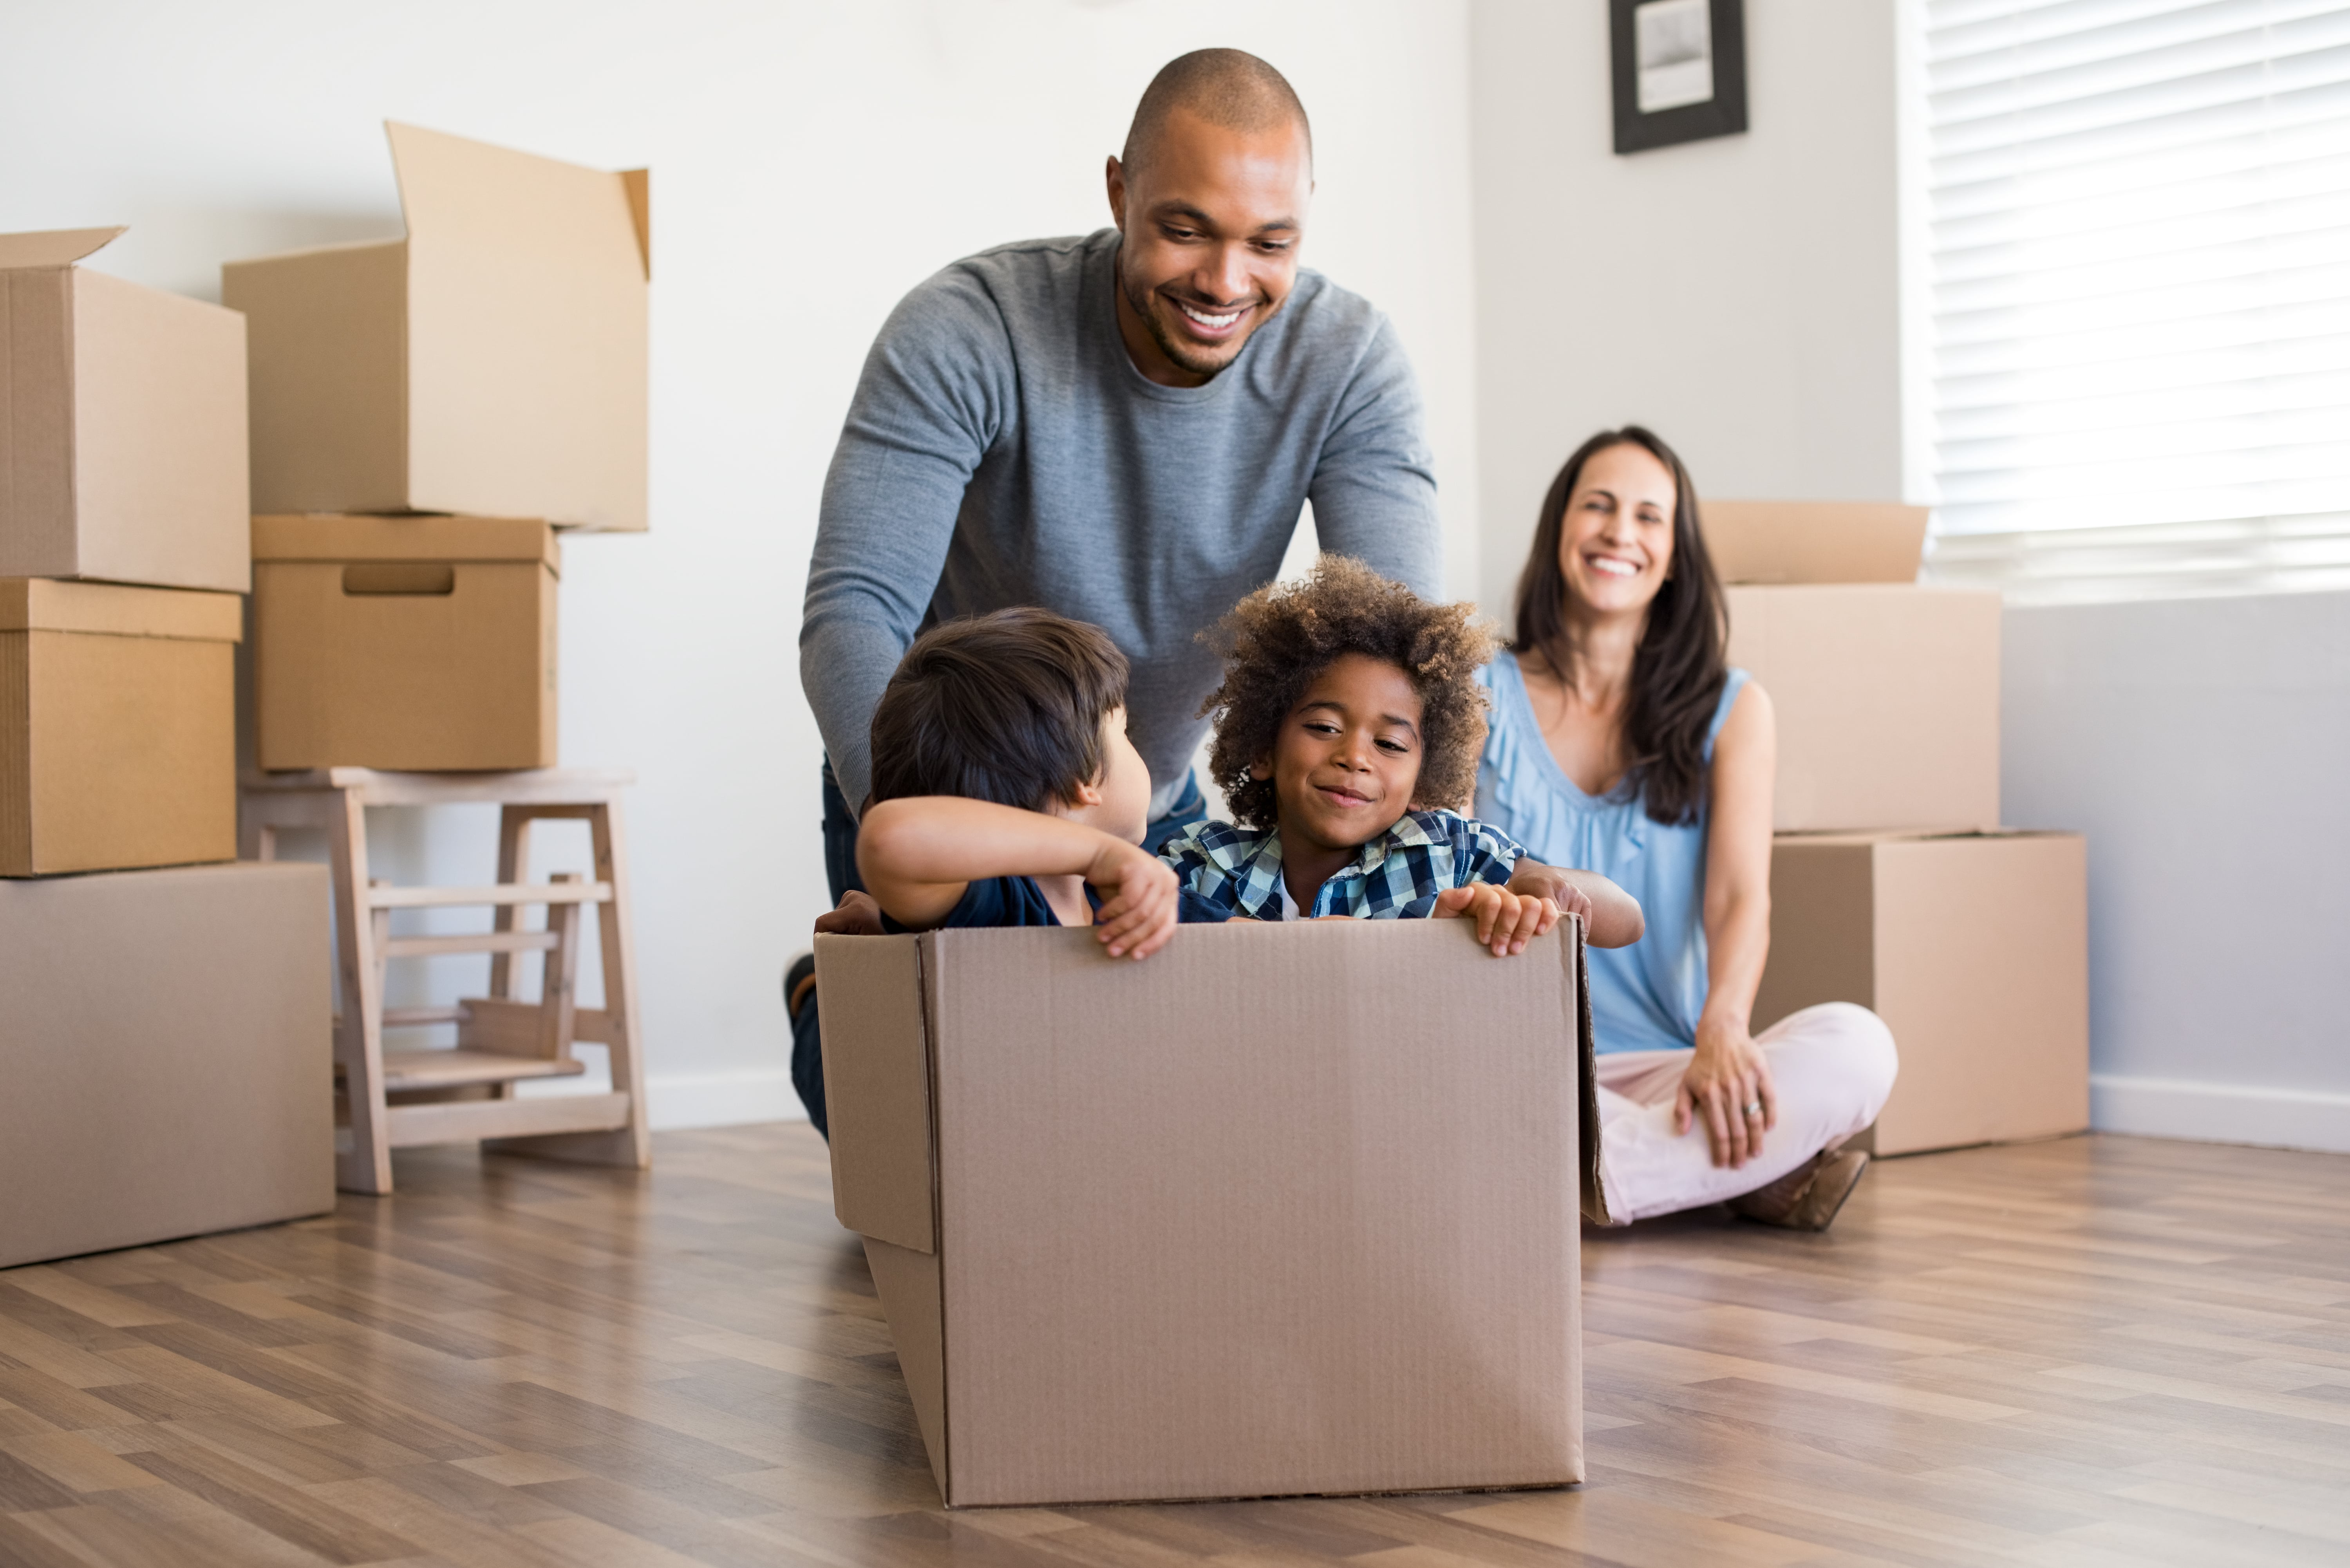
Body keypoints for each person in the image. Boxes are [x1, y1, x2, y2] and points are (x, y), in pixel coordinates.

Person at [800, 47, 1441, 909]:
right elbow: (855, 610)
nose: (1224, 281)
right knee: (888, 1042)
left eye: (1270, 243)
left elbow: (1406, 652)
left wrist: (1441, 870)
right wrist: (919, 839)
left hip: (1143, 799)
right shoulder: (971, 327)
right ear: (1119, 193)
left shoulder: (1349, 361)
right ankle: (819, 1005)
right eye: (1186, 231)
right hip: (945, 803)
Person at [1474, 428, 1898, 1230]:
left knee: (1860, 1045)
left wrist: (1726, 1029)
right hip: (1511, 1061)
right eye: (1597, 506)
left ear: (1674, 556)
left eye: (1648, 516)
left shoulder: (1733, 710)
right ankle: (1731, 1176)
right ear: (1559, 528)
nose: (1619, 533)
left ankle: (1588, 1180)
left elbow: (1740, 898)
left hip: (1672, 1067)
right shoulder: (1473, 690)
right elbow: (1439, 876)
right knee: (1465, 1091)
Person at [787, 609, 1228, 1139]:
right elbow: (889, 837)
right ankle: (815, 995)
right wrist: (1097, 854)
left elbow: (1258, 955)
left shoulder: (1136, 902)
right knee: (855, 1107)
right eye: (1125, 730)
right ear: (1087, 778)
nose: (1139, 751)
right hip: (973, 1157)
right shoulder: (993, 907)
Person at [1161, 555, 1643, 954]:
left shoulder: (1449, 855)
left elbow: (1628, 920)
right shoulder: (1204, 863)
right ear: (1263, 748)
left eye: (1389, 744)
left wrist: (1541, 881)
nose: (1355, 756)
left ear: (1423, 779)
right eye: (1325, 727)